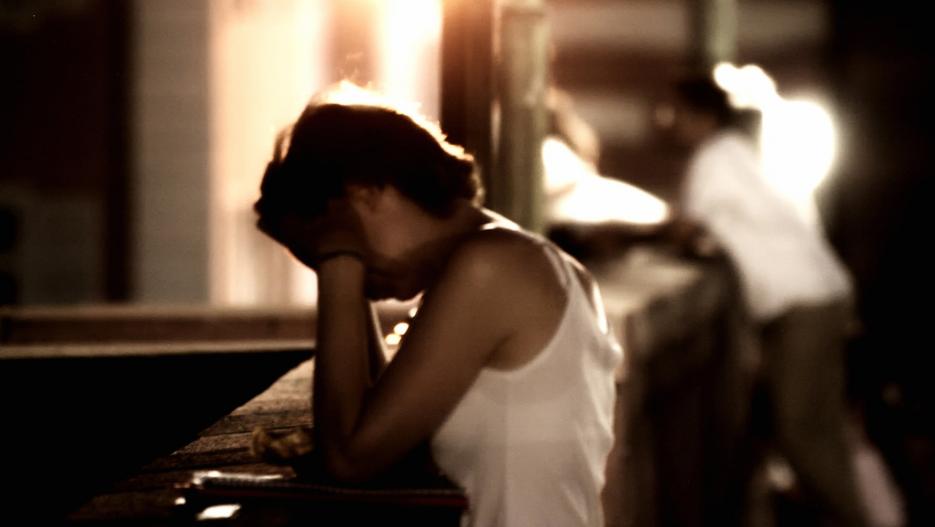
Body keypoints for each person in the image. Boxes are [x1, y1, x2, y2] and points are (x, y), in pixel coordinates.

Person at [251, 82, 623, 526]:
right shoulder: (517, 261)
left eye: (332, 244)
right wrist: (345, 268)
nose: (353, 278)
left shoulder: (492, 268)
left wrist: (339, 265)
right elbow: (385, 440)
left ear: (365, 193)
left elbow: (350, 458)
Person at [663, 75, 868, 527]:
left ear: (703, 117)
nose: (668, 123)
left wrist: (631, 231)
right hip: (821, 294)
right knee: (820, 431)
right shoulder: (744, 152)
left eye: (676, 113)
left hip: (802, 304)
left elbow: (687, 230)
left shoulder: (713, 158)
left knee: (799, 433)